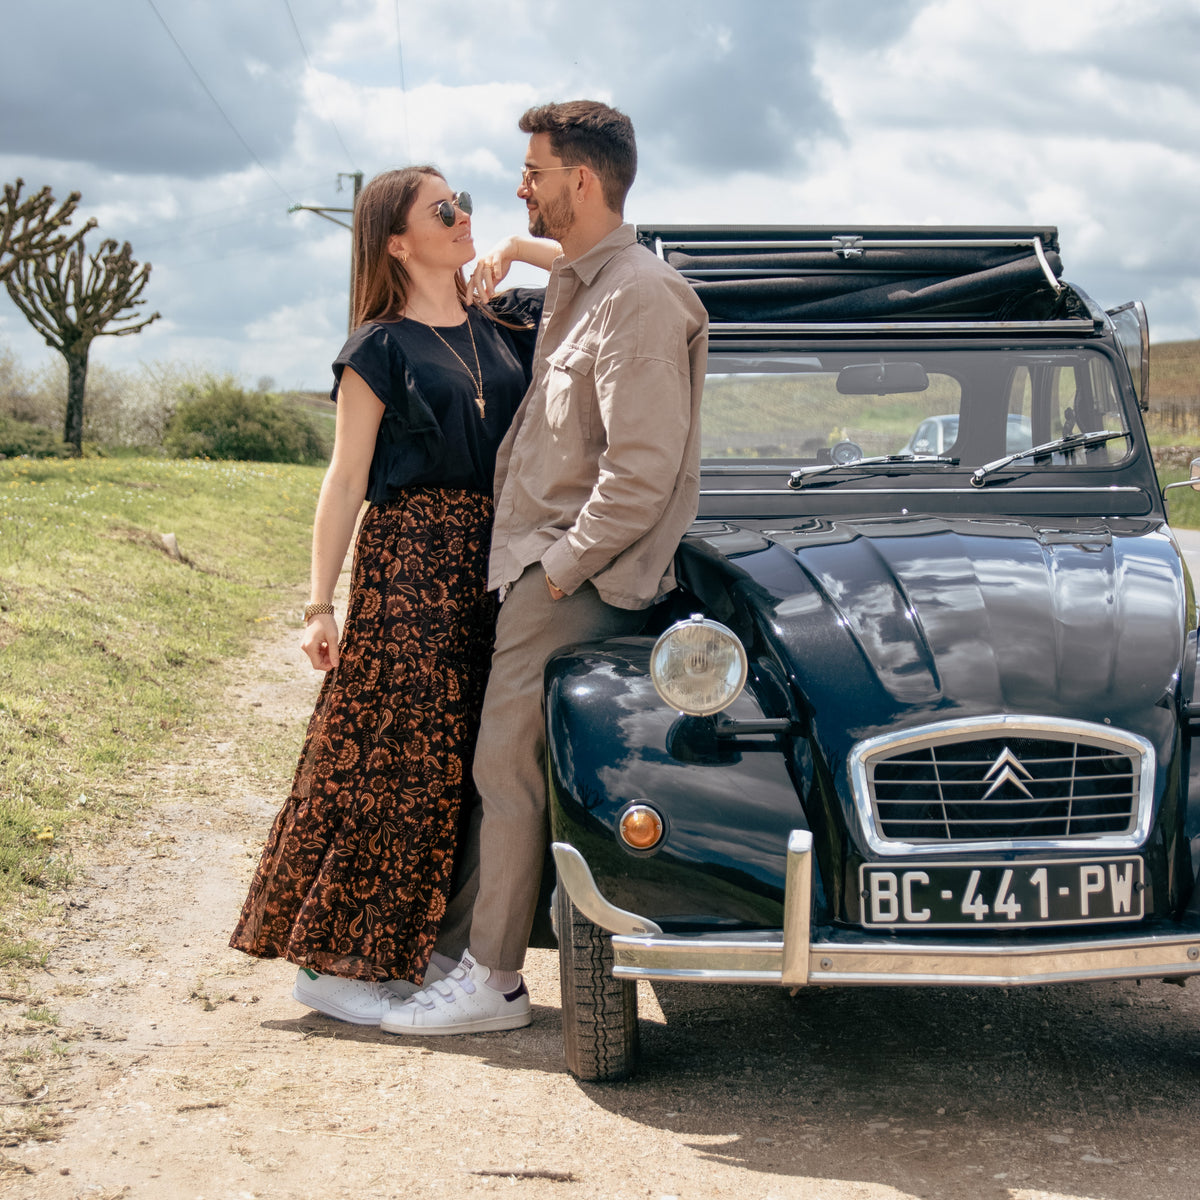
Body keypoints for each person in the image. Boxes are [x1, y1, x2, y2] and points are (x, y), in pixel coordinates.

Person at [382, 100, 709, 1036]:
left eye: (533, 171)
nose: (518, 188)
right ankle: (466, 955)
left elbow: (641, 471)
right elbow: (569, 264)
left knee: (509, 768)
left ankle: (493, 981)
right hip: (541, 572)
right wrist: (523, 257)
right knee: (504, 767)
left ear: (582, 179)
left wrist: (561, 571)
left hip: (572, 581)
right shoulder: (593, 283)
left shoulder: (639, 296)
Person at [229, 166, 555, 1025]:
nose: (464, 218)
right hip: (409, 565)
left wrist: (520, 248)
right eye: (443, 211)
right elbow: (342, 483)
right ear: (397, 242)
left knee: (471, 766)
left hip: (497, 562)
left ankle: (424, 949)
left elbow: (603, 272)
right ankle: (332, 963)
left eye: (466, 204)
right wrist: (317, 605)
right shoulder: (377, 346)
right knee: (391, 761)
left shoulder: (508, 320)